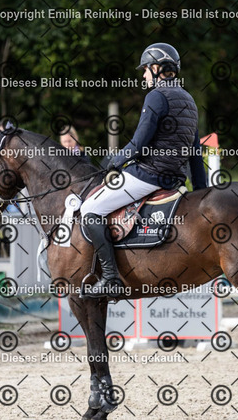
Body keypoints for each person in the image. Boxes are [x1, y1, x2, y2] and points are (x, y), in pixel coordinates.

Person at [80, 42, 207, 298]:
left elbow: (139, 143)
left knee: (89, 209)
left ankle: (110, 278)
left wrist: (114, 162)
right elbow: (195, 153)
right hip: (175, 180)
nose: (143, 76)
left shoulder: (156, 96)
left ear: (157, 68)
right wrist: (202, 192)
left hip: (148, 175)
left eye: (146, 70)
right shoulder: (189, 100)